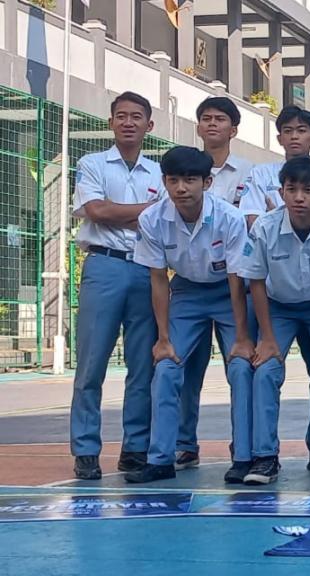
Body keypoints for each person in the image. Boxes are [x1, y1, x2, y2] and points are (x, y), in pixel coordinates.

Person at [125, 146, 255, 484]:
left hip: (229, 294)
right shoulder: (152, 219)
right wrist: (163, 339)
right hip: (185, 291)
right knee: (167, 368)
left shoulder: (230, 218)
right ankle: (160, 459)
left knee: (241, 368)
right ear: (164, 182)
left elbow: (237, 279)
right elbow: (158, 279)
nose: (182, 188)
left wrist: (242, 338)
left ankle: (243, 456)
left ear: (207, 182)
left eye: (190, 180)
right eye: (174, 180)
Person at [238, 105, 310, 472]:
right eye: (292, 189)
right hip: (278, 308)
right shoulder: (264, 228)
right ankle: (265, 457)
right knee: (265, 369)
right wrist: (266, 338)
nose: (300, 197)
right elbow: (254, 282)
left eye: (308, 190)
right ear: (281, 191)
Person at [69, 92, 164, 480]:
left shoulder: (159, 173)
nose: (128, 122)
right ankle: (86, 449)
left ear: (148, 125)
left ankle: (135, 448)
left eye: (136, 117)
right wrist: (141, 213)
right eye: (121, 116)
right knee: (91, 364)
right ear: (111, 122)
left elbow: (163, 217)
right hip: (103, 267)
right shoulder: (91, 163)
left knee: (142, 366)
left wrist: (117, 213)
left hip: (146, 270)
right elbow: (96, 211)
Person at [175, 96, 255, 472]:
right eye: (204, 118)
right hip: (189, 282)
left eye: (219, 119)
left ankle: (245, 449)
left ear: (233, 129)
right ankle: (182, 444)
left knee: (239, 365)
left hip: (233, 282)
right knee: (183, 367)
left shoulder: (250, 173)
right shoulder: (182, 169)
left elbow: (255, 221)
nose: (211, 125)